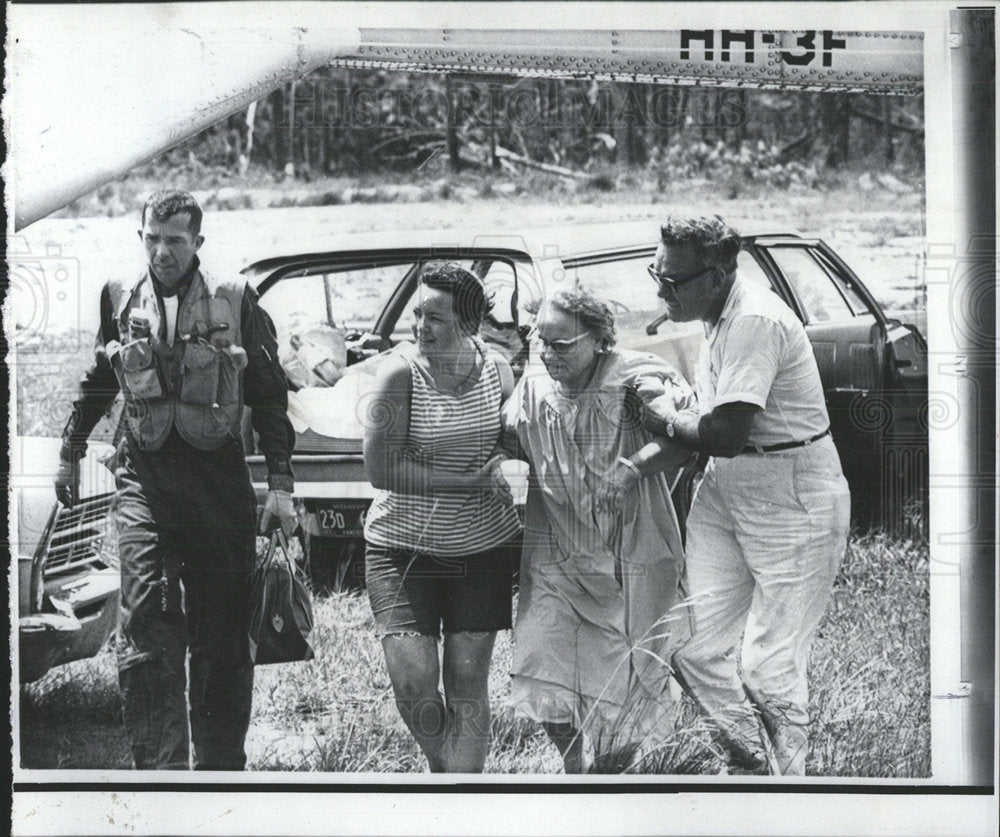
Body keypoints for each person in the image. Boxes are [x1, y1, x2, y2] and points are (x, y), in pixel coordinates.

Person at [54, 190, 296, 770]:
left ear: (198, 243)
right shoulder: (119, 297)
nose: (162, 252)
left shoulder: (235, 299)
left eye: (175, 240)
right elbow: (98, 378)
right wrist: (68, 450)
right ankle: (161, 781)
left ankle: (217, 777)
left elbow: (268, 396)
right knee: (144, 632)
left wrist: (281, 487)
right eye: (152, 238)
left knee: (221, 637)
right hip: (145, 480)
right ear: (141, 236)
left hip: (217, 482)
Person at [641, 214, 851, 776]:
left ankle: (792, 792)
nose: (661, 291)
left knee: (767, 666)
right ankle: (755, 765)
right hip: (729, 489)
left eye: (672, 281)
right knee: (690, 647)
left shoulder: (755, 318)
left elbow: (727, 434)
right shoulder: (708, 310)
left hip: (793, 490)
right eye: (655, 274)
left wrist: (666, 417)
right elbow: (716, 419)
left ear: (718, 273)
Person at [501, 288, 696, 773]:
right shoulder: (534, 387)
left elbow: (686, 435)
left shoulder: (636, 380)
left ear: (600, 340)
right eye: (539, 341)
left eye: (561, 345)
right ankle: (574, 772)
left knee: (623, 686)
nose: (546, 354)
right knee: (543, 659)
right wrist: (500, 466)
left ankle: (603, 784)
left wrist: (631, 468)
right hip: (558, 557)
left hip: (628, 557)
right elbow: (510, 438)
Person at [362, 261, 522, 773]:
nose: (419, 327)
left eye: (435, 318)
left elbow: (511, 439)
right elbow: (381, 469)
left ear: (469, 324)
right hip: (401, 547)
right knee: (413, 685)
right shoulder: (398, 374)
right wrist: (466, 482)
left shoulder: (497, 368)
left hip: (483, 547)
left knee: (468, 683)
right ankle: (451, 770)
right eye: (417, 314)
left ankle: (461, 803)